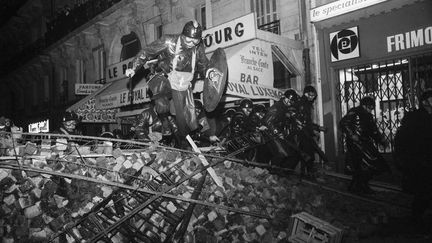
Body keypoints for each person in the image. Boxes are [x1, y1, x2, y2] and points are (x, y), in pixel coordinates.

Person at [125, 20, 222, 145]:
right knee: (162, 104)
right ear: (182, 35)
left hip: (183, 84)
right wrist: (133, 67)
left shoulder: (198, 48)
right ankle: (164, 122)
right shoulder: (168, 41)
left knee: (188, 120)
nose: (191, 43)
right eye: (188, 40)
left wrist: (212, 76)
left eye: (195, 41)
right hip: (163, 79)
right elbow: (147, 52)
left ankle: (185, 141)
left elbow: (203, 65)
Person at [394, 90, 432, 222]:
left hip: (425, 158)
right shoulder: (414, 117)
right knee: (423, 189)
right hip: (419, 160)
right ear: (425, 102)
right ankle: (417, 217)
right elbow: (403, 139)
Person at [339, 96, 389, 194]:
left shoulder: (368, 115)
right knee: (363, 164)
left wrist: (380, 140)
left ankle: (358, 185)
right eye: (370, 107)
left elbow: (373, 130)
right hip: (356, 143)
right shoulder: (355, 112)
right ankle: (360, 186)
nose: (371, 110)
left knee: (365, 165)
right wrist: (352, 134)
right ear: (365, 105)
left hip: (364, 142)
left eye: (372, 108)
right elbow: (343, 123)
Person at [262, 89, 305, 168]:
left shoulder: (285, 108)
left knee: (292, 154)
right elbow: (268, 122)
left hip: (280, 134)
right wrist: (277, 132)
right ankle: (274, 172)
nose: (289, 102)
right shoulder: (276, 108)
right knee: (282, 154)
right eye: (288, 99)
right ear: (284, 97)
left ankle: (282, 173)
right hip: (272, 135)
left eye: (291, 101)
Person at [296, 85, 328, 179]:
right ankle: (308, 173)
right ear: (306, 94)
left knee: (306, 154)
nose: (312, 97)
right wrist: (314, 130)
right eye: (310, 95)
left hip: (303, 132)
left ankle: (305, 173)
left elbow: (307, 122)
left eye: (313, 95)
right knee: (308, 153)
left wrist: (317, 128)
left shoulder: (306, 104)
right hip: (303, 133)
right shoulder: (303, 104)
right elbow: (305, 122)